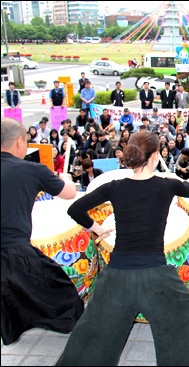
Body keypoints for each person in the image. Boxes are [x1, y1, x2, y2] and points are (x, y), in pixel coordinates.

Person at [56, 131, 189, 366]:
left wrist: (97, 228)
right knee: (186, 332)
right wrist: (168, 173)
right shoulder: (166, 185)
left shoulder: (115, 187)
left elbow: (75, 209)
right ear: (156, 155)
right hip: (157, 275)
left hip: (117, 275)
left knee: (91, 340)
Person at [1, 118, 82, 346]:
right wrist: (65, 179)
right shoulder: (31, 169)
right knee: (61, 291)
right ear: (19, 141)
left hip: (11, 250)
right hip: (13, 251)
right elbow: (69, 193)